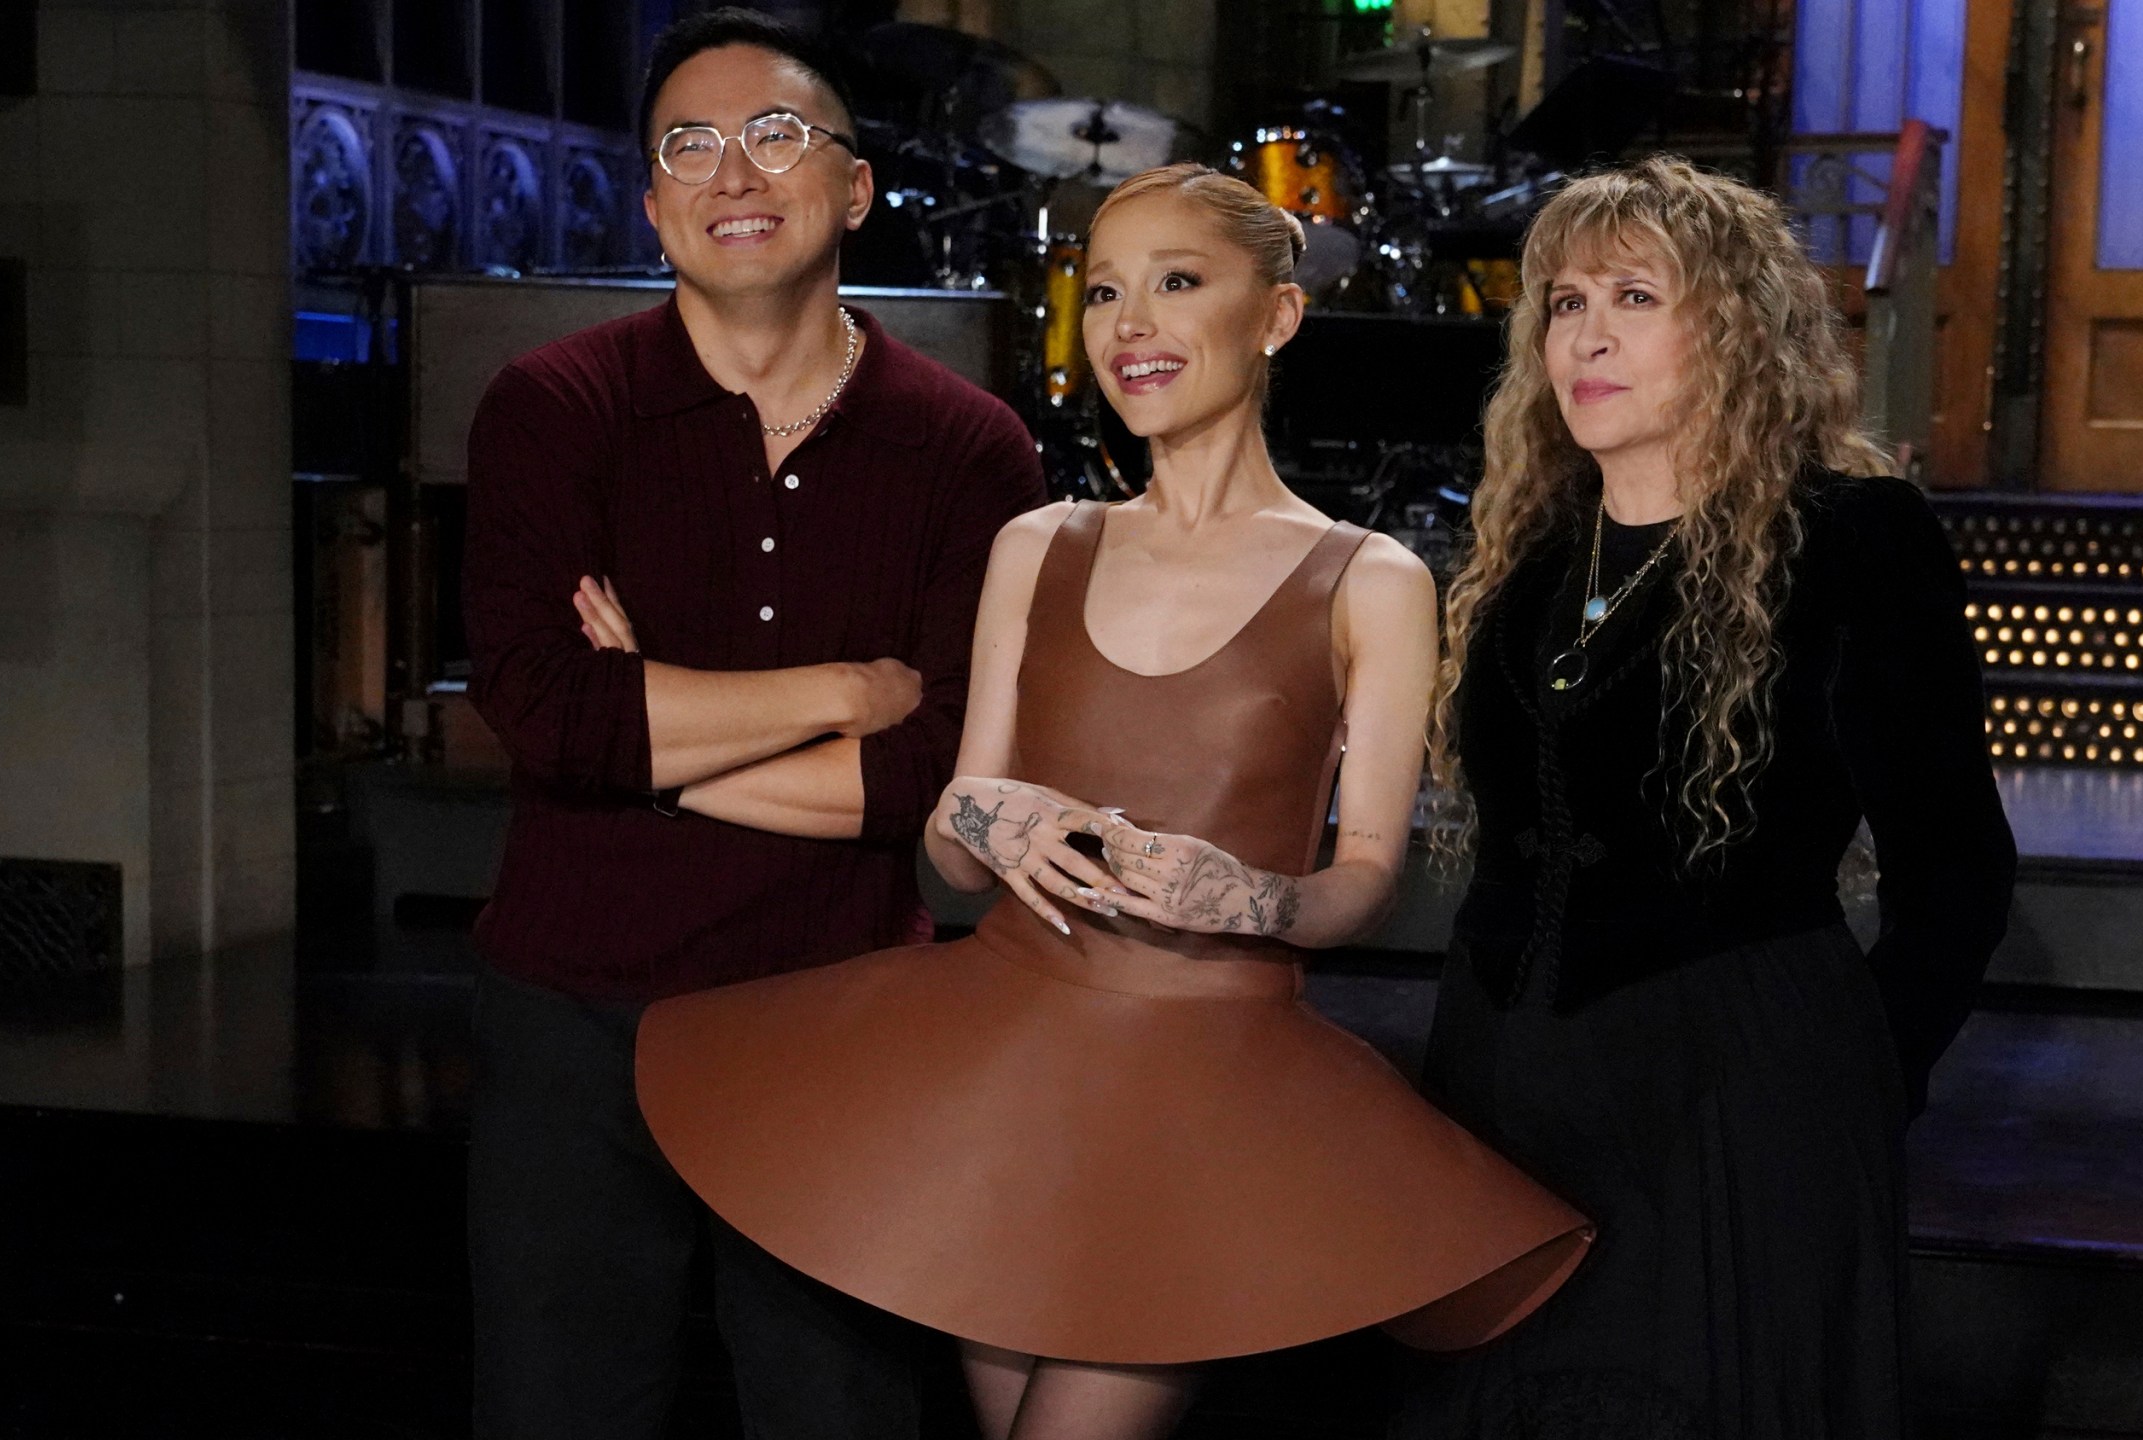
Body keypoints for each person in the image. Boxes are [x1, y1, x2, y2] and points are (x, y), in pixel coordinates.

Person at [618, 164, 1592, 1440]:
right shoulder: (1039, 542)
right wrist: (983, 821)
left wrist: (1256, 895)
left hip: (1201, 1090)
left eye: (1178, 283)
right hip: (1007, 1072)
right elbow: (948, 851)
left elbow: (1366, 882)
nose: (1130, 323)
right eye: (1106, 289)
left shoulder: (1371, 579)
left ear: (1277, 317)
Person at [459, 10, 1046, 1438]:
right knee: (560, 1410)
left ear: (853, 188)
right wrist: (845, 692)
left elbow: (935, 768)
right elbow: (544, 713)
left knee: (837, 1414)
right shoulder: (552, 409)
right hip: (573, 1018)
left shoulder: (971, 447)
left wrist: (656, 746)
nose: (735, 168)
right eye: (691, 145)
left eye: (777, 133)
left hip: (834, 1012)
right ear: (654, 206)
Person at [1391, 156, 2019, 1438]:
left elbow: (1954, 867)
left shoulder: (1852, 538)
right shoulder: (1529, 555)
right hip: (1500, 1092)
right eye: (1564, 303)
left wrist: (1852, 1083)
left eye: (1634, 295)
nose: (1589, 334)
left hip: (1734, 1099)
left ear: (1733, 329)